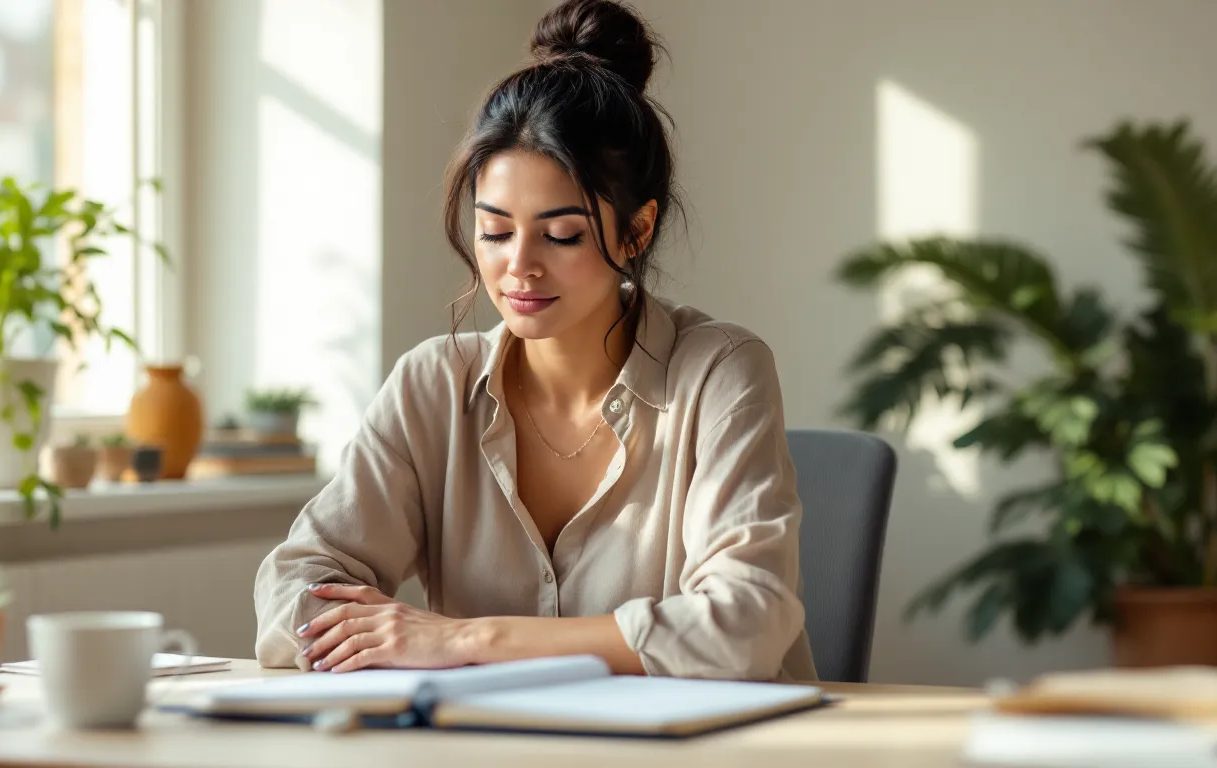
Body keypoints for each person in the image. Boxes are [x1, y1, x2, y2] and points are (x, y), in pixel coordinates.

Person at [254, 0, 816, 683]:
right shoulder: (433, 384)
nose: (519, 265)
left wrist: (463, 640)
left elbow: (745, 626)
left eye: (561, 234)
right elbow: (292, 589)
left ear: (637, 231)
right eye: (494, 231)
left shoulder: (720, 373)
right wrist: (361, 627)